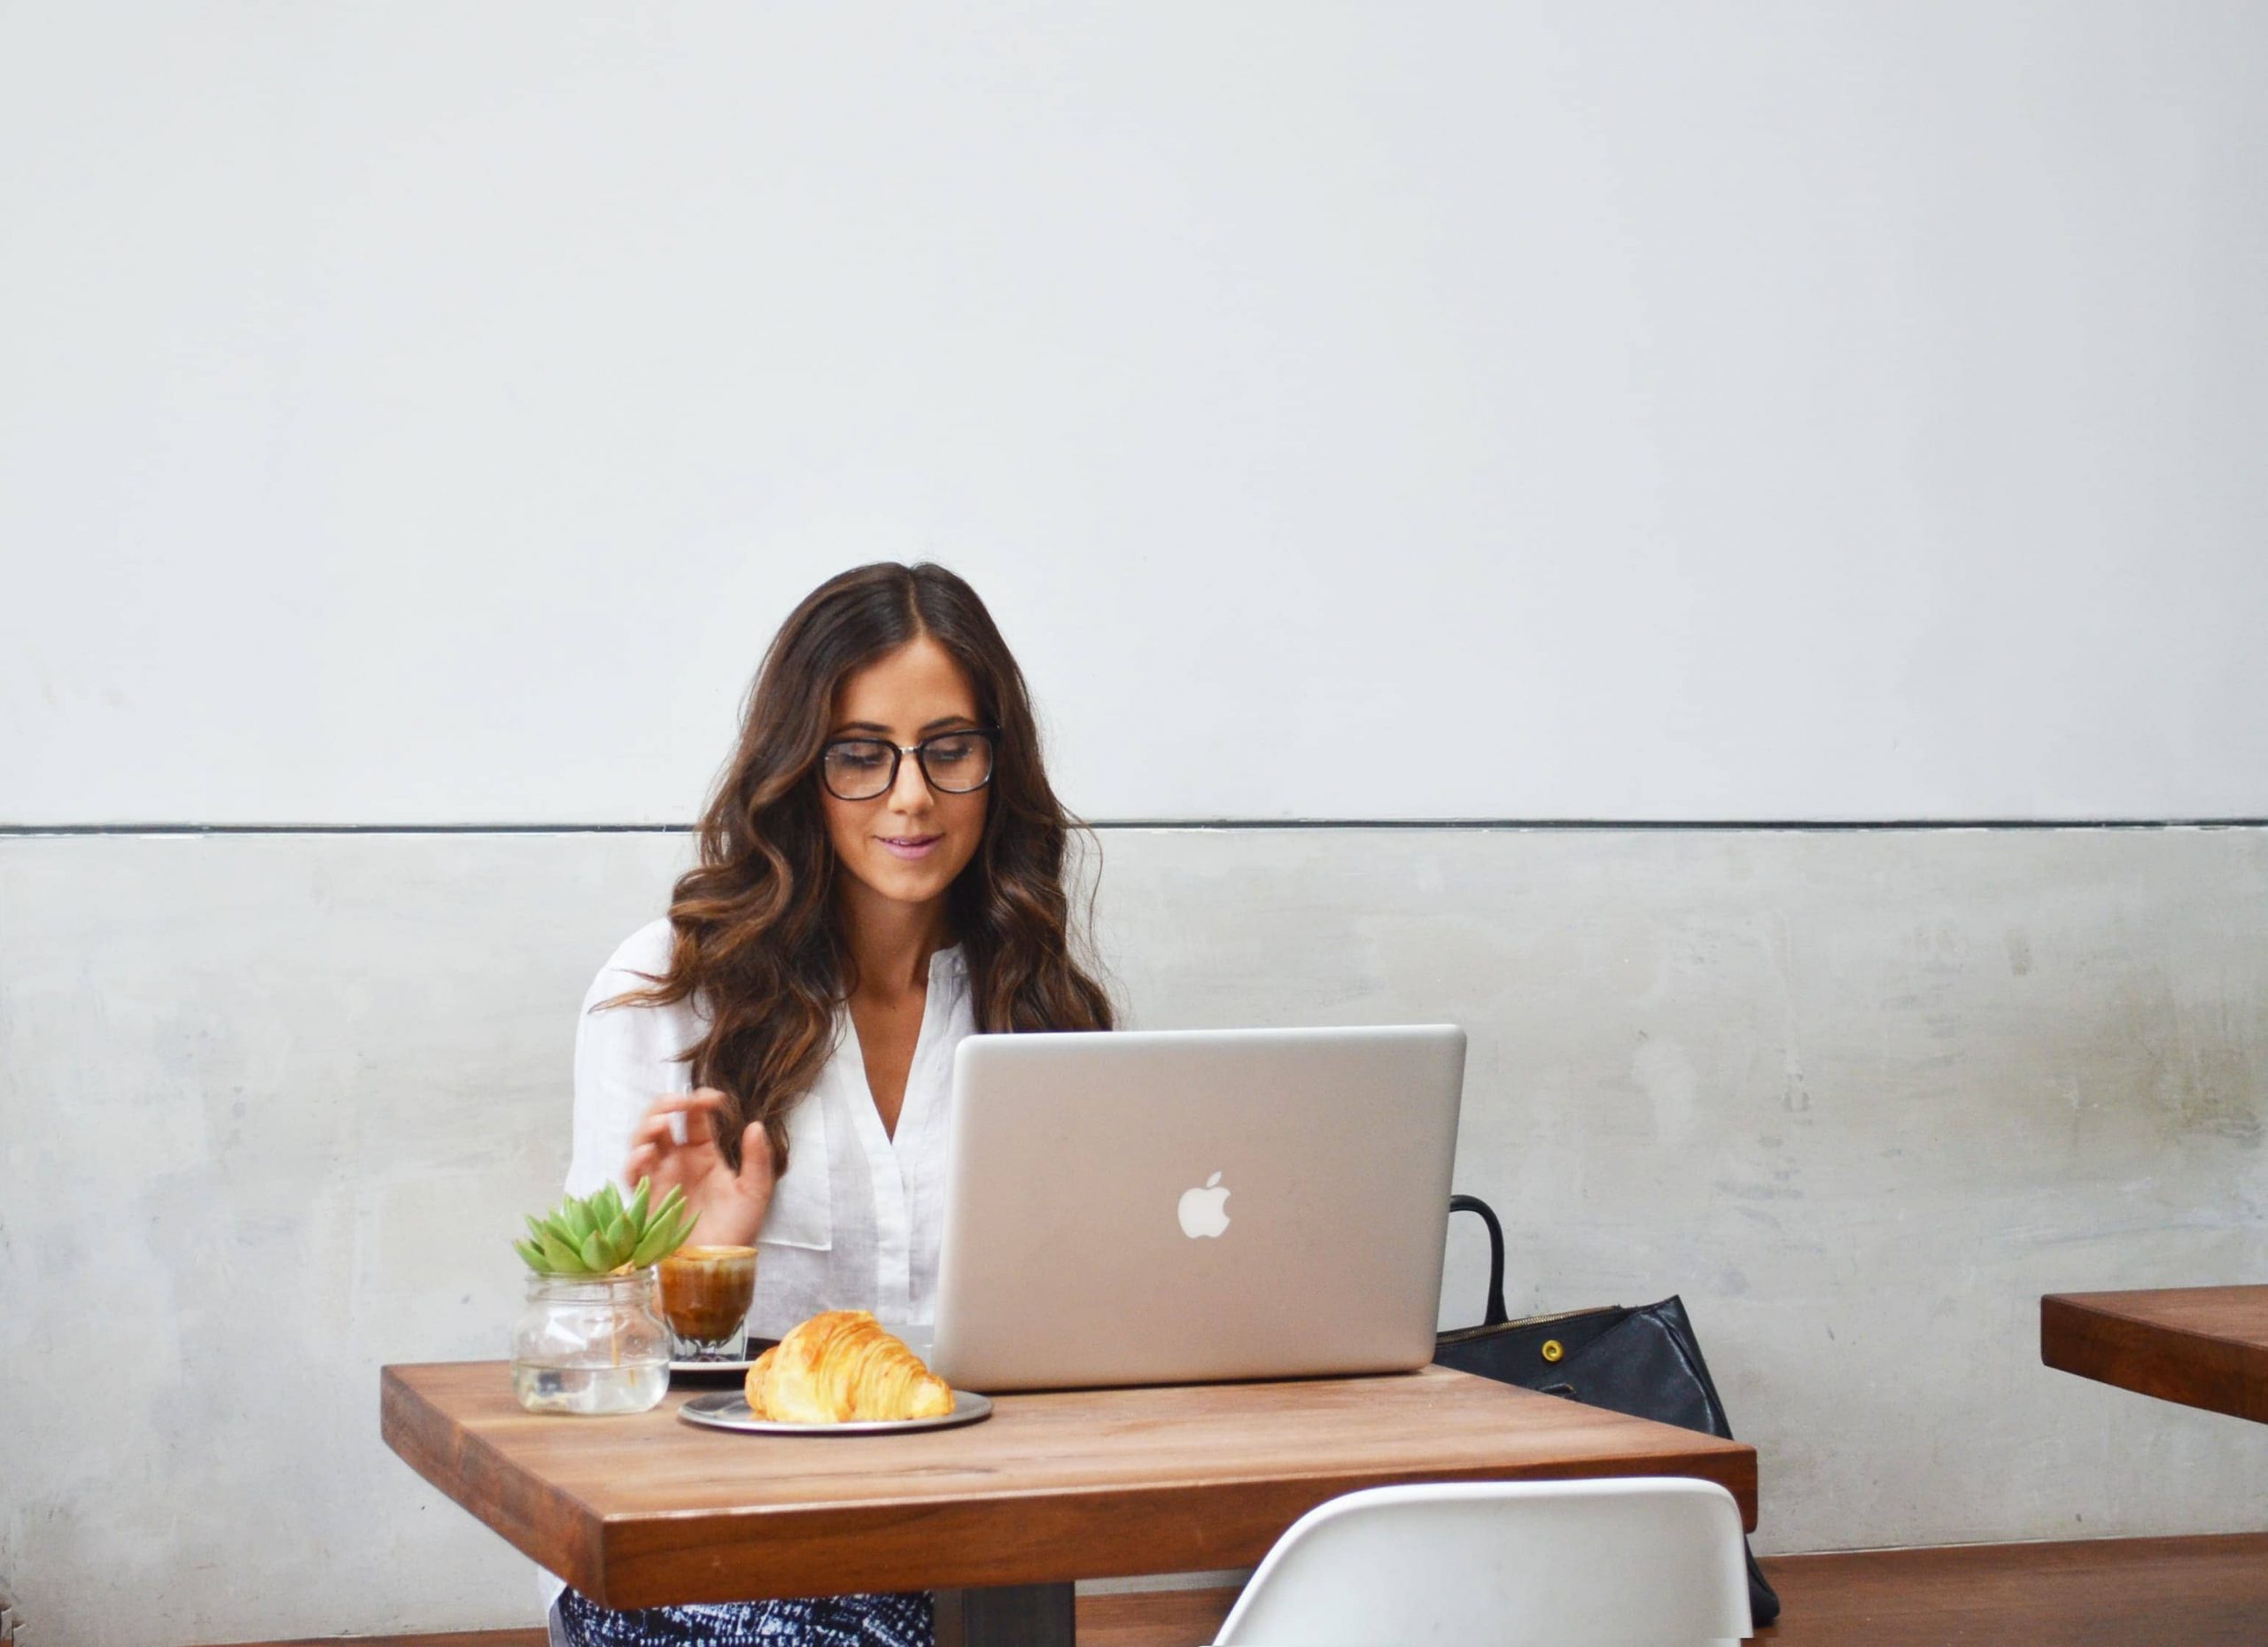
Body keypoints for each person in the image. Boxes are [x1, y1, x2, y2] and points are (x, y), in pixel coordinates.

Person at [548, 562, 1115, 1647]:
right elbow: (583, 1368)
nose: (911, 795)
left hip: (980, 1526)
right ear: (801, 771)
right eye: (861, 755)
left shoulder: (1039, 1006)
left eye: (949, 749)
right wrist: (702, 1269)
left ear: (998, 767)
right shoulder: (665, 994)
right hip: (720, 1549)